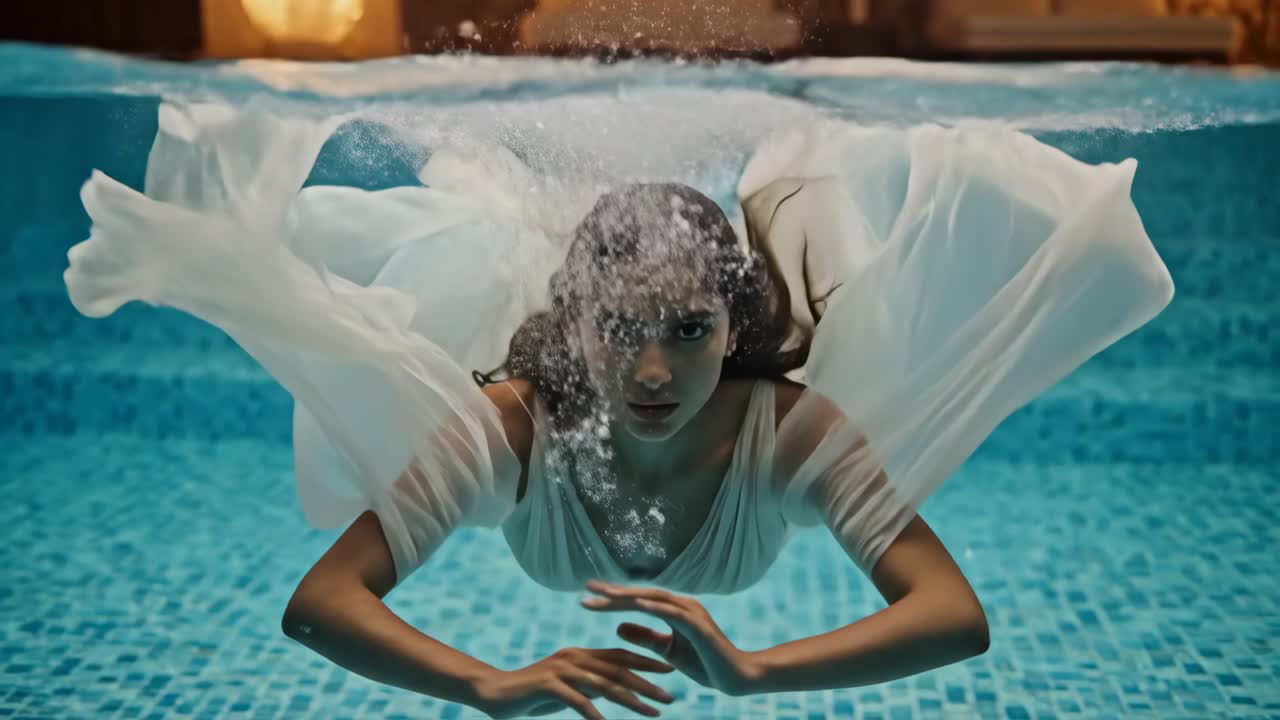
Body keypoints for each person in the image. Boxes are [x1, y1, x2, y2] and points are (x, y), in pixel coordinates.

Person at [64, 99, 1174, 720]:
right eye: (618, 329)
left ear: (731, 328)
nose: (649, 373)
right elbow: (319, 603)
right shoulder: (511, 424)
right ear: (579, 323)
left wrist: (754, 672)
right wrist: (484, 684)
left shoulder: (785, 432)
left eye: (687, 331)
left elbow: (954, 614)